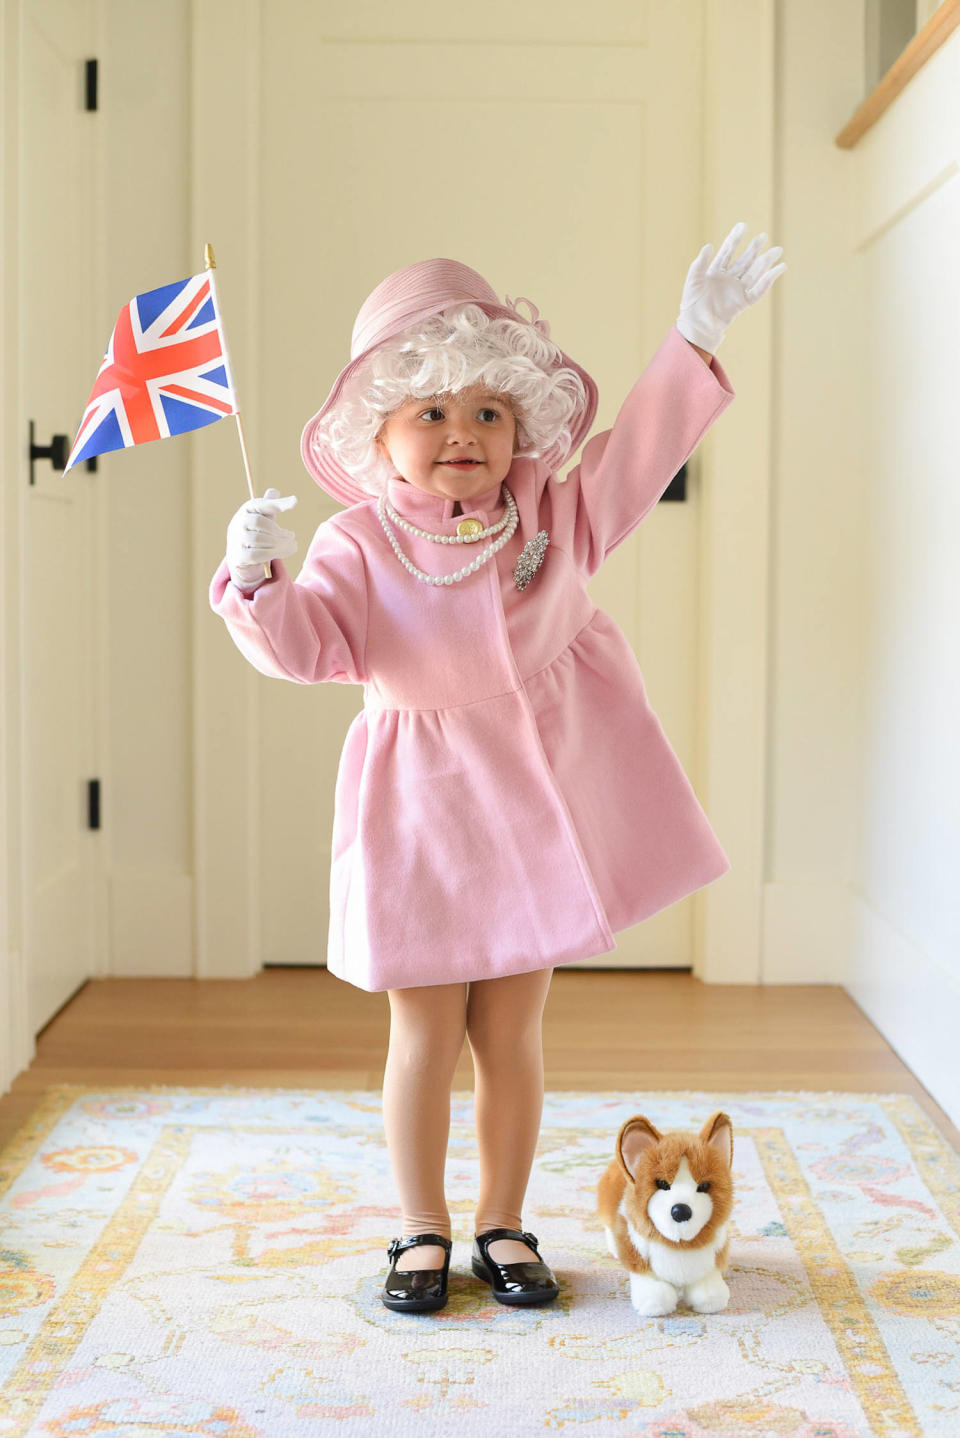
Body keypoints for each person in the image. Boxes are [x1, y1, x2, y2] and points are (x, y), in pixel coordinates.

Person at [208, 225, 786, 1314]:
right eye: (430, 410)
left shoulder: (551, 519)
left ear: (520, 426)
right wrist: (256, 580)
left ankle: (501, 1218)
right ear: (378, 435)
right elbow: (305, 646)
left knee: (512, 1030)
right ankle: (420, 1225)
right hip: (420, 821)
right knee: (425, 1031)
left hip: (534, 816)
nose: (462, 432)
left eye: (488, 410)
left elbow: (634, 456)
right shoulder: (357, 546)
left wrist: (692, 337)